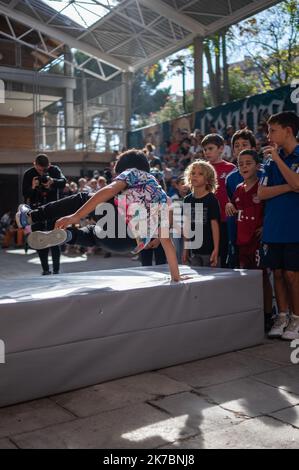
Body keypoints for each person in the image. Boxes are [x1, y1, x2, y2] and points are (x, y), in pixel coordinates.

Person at [16, 150, 185, 282]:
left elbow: (109, 190)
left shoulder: (134, 173)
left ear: (126, 169)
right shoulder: (164, 198)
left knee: (83, 198)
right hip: (125, 245)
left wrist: (76, 216)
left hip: (118, 224)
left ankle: (30, 216)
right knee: (93, 234)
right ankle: (67, 235)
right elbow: (167, 241)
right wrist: (176, 276)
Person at [258, 111, 299, 340]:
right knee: (279, 274)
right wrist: (289, 186)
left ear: (288, 130)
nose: (269, 135)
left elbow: (298, 183)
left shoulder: (280, 157)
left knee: (294, 275)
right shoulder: (269, 158)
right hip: (274, 226)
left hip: (295, 227)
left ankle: (296, 319)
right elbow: (262, 193)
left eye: (273, 130)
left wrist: (280, 162)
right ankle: (282, 316)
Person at [226, 150, 273, 331]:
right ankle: (251, 315)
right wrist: (229, 204)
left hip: (258, 241)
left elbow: (269, 209)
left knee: (262, 278)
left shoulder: (263, 188)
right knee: (246, 279)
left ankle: (268, 315)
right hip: (242, 240)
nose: (244, 166)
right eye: (241, 163)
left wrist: (265, 227)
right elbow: (235, 206)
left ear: (257, 165)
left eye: (248, 163)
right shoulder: (238, 188)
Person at [17, 154, 66, 275]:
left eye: (44, 170)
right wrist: (33, 187)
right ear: (34, 164)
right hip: (36, 209)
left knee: (55, 238)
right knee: (39, 239)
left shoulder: (54, 170)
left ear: (48, 165)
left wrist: (52, 181)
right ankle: (45, 269)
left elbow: (63, 182)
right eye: (39, 169)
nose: (41, 172)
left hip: (53, 208)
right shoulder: (29, 174)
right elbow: (25, 194)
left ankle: (56, 270)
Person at [201, 134, 235, 267]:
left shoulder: (231, 168)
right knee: (206, 259)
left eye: (210, 148)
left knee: (225, 257)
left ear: (221, 148)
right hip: (207, 220)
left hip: (225, 219)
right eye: (205, 149)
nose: (207, 152)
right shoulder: (201, 169)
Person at [182, 160, 220, 268]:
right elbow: (187, 226)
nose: (195, 176)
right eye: (193, 173)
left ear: (208, 179)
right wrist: (185, 249)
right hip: (194, 250)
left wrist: (216, 249)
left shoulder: (211, 199)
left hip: (209, 250)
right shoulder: (187, 200)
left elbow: (215, 225)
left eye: (200, 174)